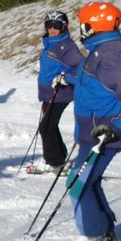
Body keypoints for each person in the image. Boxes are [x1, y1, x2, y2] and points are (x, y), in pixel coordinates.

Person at [55, 2, 121, 241]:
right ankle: (104, 234)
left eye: (83, 24)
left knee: (78, 184)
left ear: (93, 25)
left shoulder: (109, 56)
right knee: (86, 181)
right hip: (94, 133)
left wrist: (116, 127)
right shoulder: (102, 52)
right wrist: (68, 79)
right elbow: (93, 80)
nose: (80, 30)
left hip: (105, 136)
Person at [31, 10, 84, 173]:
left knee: (46, 127)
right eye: (49, 25)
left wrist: (65, 77)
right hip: (49, 92)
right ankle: (59, 158)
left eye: (56, 25)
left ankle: (55, 162)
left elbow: (81, 69)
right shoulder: (50, 44)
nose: (52, 28)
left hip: (61, 92)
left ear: (64, 26)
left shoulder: (66, 47)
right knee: (49, 125)